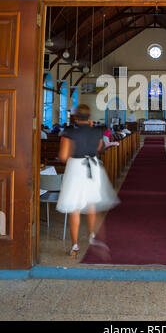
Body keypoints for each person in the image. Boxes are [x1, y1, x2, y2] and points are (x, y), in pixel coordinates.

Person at [56, 104, 120, 257]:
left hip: (76, 168)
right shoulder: (97, 131)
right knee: (91, 204)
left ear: (75, 117)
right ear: (89, 117)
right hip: (93, 167)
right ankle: (92, 237)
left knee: (74, 207)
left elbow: (64, 156)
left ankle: (75, 245)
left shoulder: (69, 132)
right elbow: (98, 148)